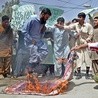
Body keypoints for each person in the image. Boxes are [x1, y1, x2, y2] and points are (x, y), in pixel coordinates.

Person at [55, 12, 94, 79]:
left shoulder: (88, 25)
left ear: (83, 18)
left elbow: (91, 34)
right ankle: (78, 73)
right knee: (78, 59)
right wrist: (61, 27)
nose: (78, 18)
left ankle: (87, 73)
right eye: (78, 17)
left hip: (86, 44)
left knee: (87, 59)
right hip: (78, 44)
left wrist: (88, 39)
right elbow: (68, 27)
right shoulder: (75, 25)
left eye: (80, 17)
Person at [21, 8, 52, 75]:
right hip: (30, 41)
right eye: (46, 17)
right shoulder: (32, 19)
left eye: (48, 18)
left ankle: (33, 66)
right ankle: (29, 68)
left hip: (38, 41)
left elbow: (41, 35)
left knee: (45, 52)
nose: (47, 19)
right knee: (34, 53)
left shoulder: (42, 22)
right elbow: (24, 30)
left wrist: (43, 31)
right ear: (42, 14)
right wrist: (31, 39)